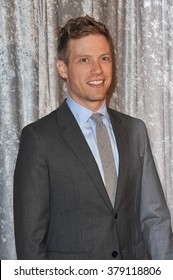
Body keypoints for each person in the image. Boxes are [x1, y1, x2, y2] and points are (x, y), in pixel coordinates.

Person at [14, 15, 173, 260]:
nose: (97, 70)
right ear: (63, 68)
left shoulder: (135, 130)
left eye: (104, 58)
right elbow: (30, 242)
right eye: (84, 60)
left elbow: (155, 219)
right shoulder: (38, 138)